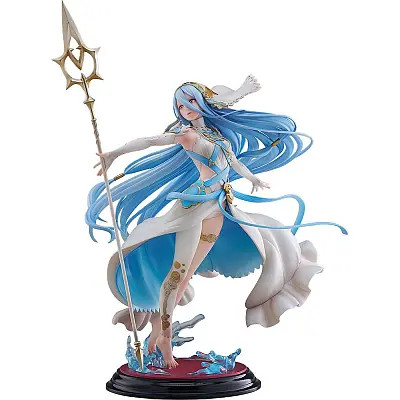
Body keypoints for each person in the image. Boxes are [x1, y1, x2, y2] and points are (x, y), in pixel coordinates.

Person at [87, 75, 347, 368]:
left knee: (187, 275)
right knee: (178, 273)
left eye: (191, 102)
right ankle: (164, 338)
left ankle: (157, 333)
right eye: (181, 106)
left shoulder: (214, 134)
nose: (187, 109)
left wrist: (252, 178)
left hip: (219, 207)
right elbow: (149, 141)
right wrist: (114, 154)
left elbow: (232, 161)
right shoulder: (186, 134)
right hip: (195, 207)